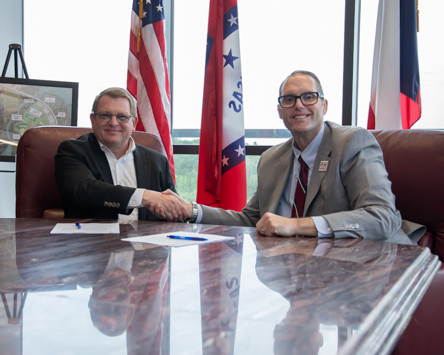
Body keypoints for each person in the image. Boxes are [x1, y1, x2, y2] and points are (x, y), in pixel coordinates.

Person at [161, 70, 424, 244]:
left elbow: (382, 217)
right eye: (289, 99)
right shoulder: (272, 159)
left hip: (369, 269)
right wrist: (191, 210)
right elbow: (252, 220)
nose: (298, 105)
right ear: (280, 111)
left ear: (324, 105)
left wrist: (297, 225)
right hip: (297, 269)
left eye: (308, 97)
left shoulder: (353, 142)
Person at [55, 87, 186, 222]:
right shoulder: (72, 150)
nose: (113, 123)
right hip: (93, 240)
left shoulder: (157, 161)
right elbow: (83, 190)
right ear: (93, 120)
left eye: (122, 117)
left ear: (134, 123)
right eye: (105, 115)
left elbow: (175, 213)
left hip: (146, 240)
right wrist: (144, 196)